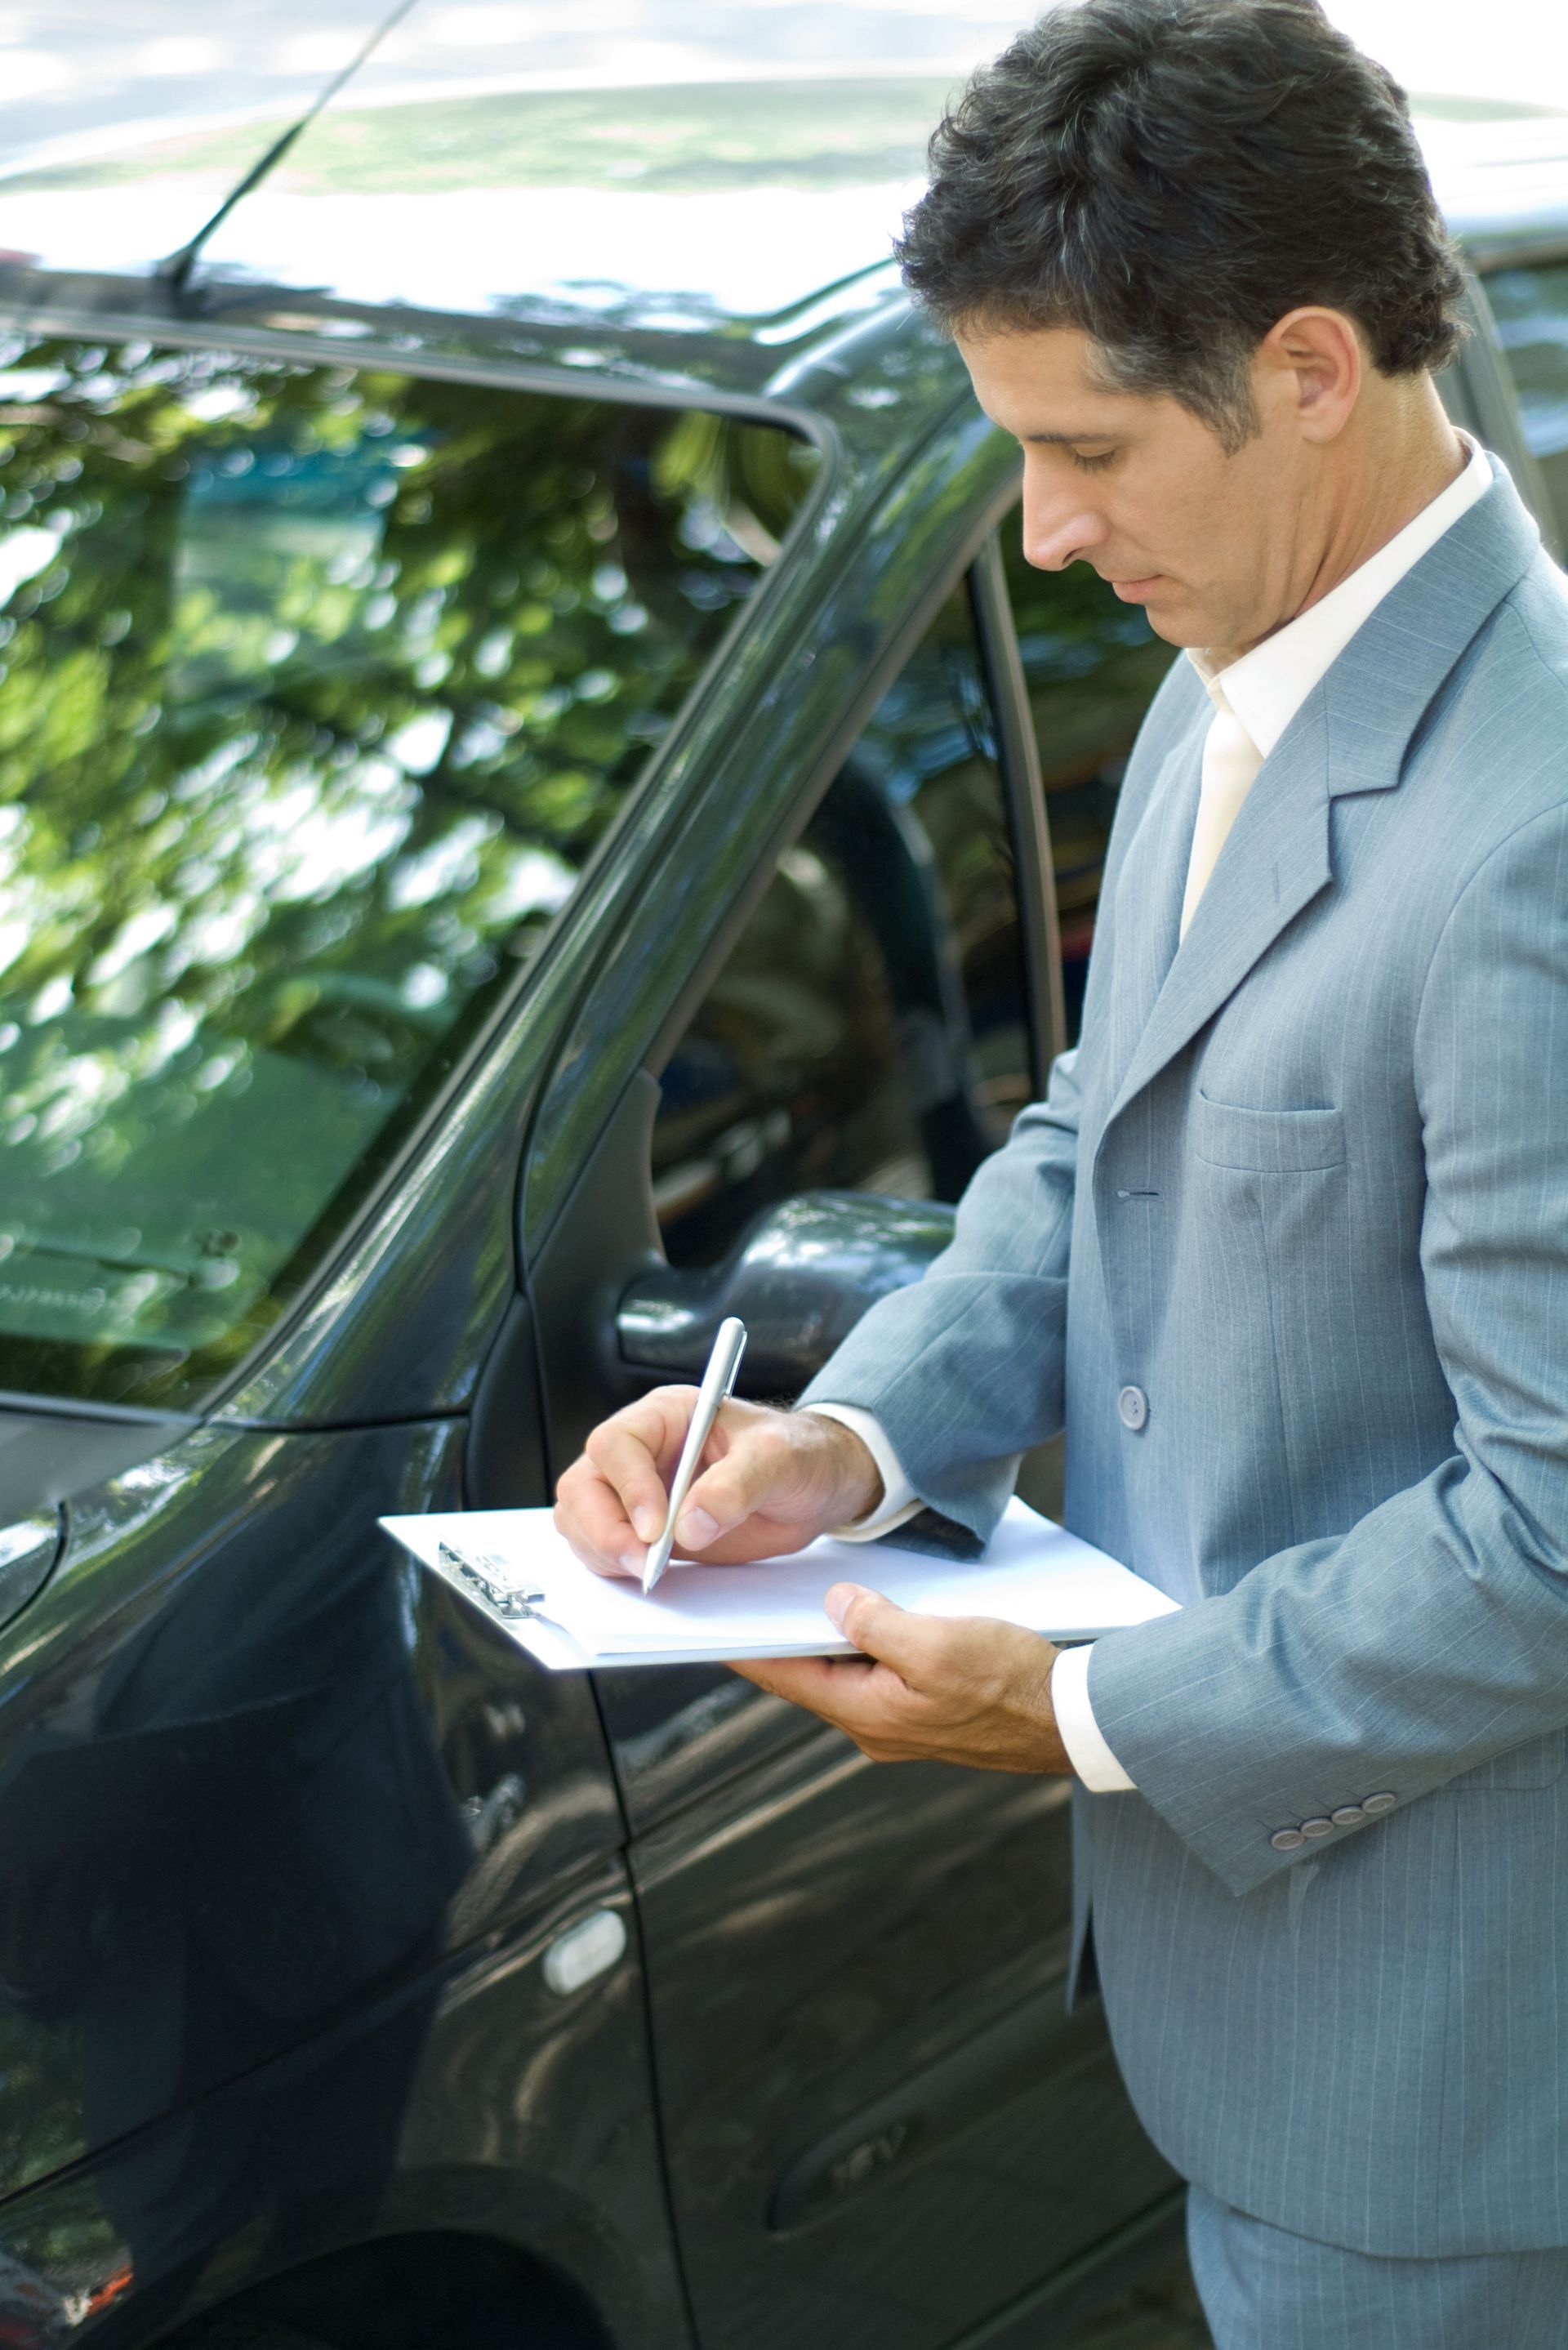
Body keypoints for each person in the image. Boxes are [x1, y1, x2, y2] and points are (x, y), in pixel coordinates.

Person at [555, 2, 1568, 2340]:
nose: (1047, 529)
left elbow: (1548, 1526)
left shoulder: (1528, 839)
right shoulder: (1268, 658)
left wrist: (1085, 1714)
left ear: (1313, 367)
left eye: (1085, 448)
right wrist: (852, 1438)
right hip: (1293, 2043)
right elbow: (1093, 1140)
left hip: (1448, 2113)